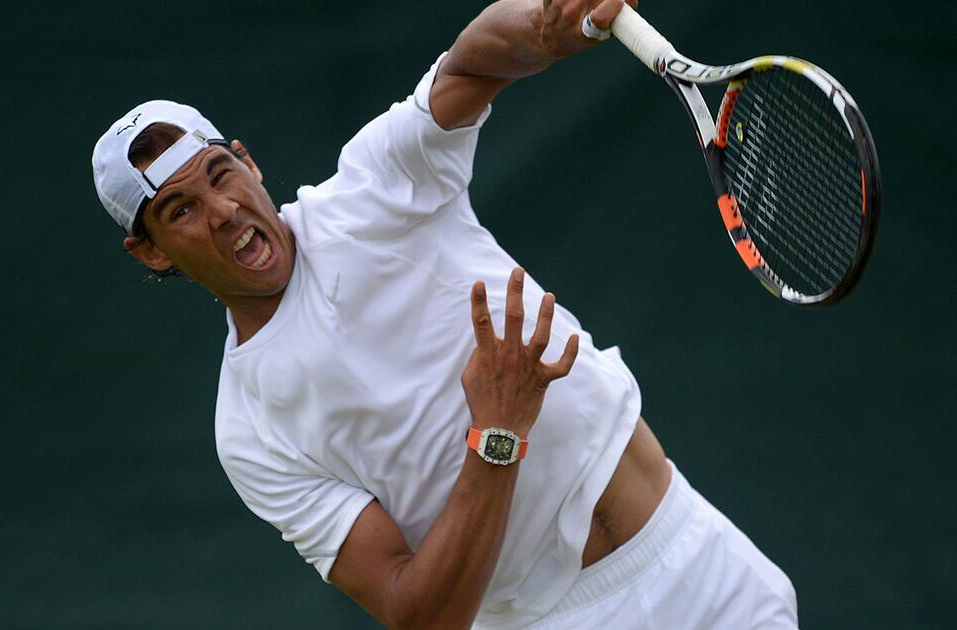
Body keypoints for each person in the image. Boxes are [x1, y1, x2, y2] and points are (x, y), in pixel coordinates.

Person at [92, 0, 798, 627]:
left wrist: (546, 25)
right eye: (180, 211)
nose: (223, 211)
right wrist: (498, 431)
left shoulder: (373, 186)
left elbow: (467, 66)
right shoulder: (249, 431)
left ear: (246, 163)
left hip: (700, 560)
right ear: (151, 252)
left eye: (221, 175)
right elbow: (418, 614)